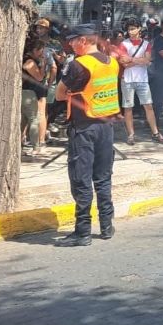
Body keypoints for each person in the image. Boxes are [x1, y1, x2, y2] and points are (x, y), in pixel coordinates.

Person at [54, 24, 120, 247]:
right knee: (103, 178)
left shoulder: (79, 65)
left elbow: (60, 93)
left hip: (84, 128)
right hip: (107, 126)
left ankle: (82, 232)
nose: (70, 45)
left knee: (81, 179)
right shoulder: (112, 62)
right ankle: (106, 225)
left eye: (73, 41)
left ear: (83, 40)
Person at [118, 20, 162, 145]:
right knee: (128, 108)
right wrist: (139, 60)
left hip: (142, 79)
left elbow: (147, 60)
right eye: (129, 29)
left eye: (132, 28)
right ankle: (131, 134)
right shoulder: (124, 44)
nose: (130, 31)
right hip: (127, 79)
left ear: (139, 29)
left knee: (148, 105)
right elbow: (123, 62)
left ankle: (155, 132)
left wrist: (131, 60)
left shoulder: (146, 44)